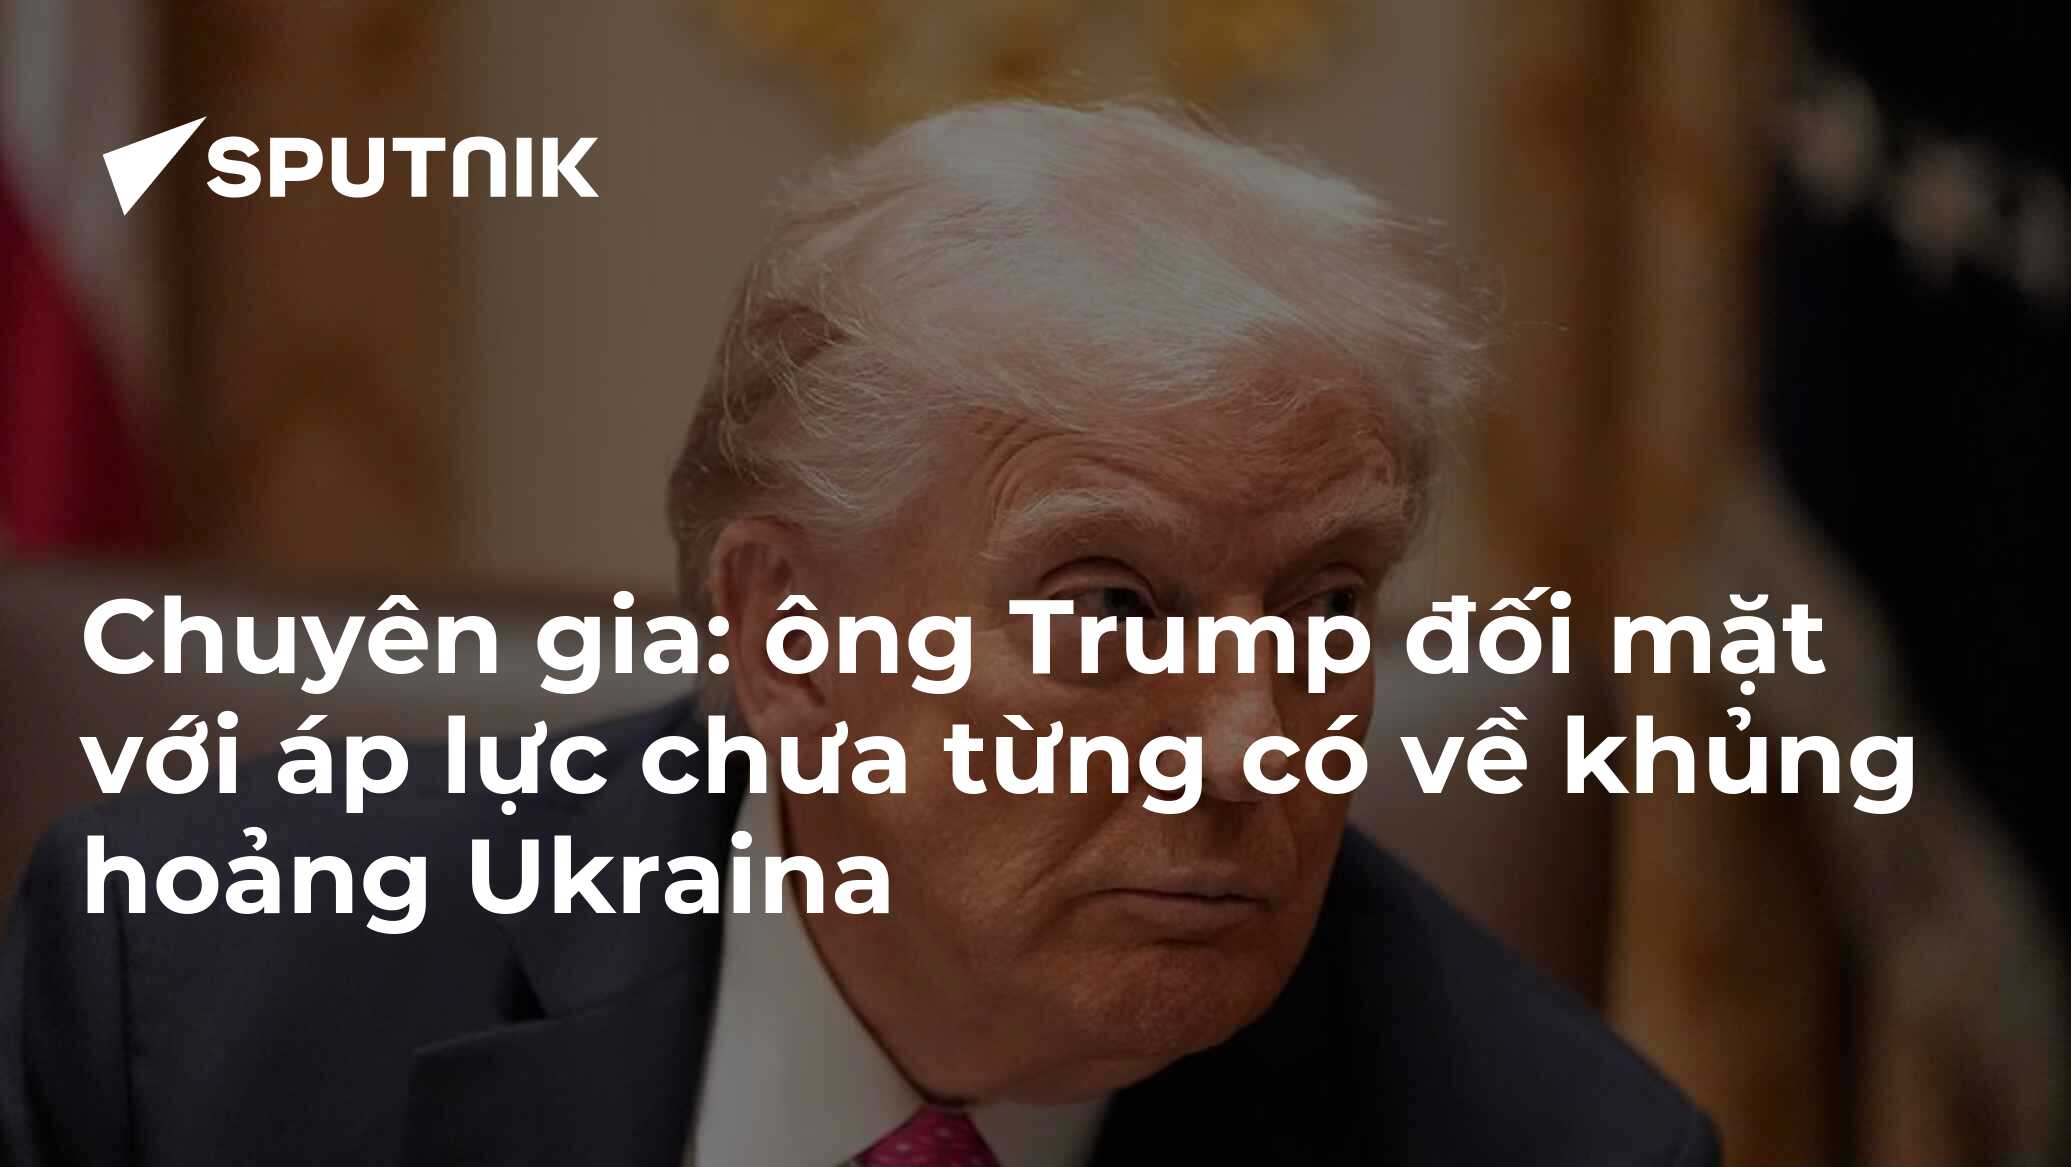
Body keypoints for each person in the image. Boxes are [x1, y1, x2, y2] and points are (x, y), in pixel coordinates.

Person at [0, 101, 1717, 1166]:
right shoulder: (197, 1004)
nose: (1250, 749)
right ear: (785, 630)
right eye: (1113, 608)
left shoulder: (1553, 1144)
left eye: (1330, 607)